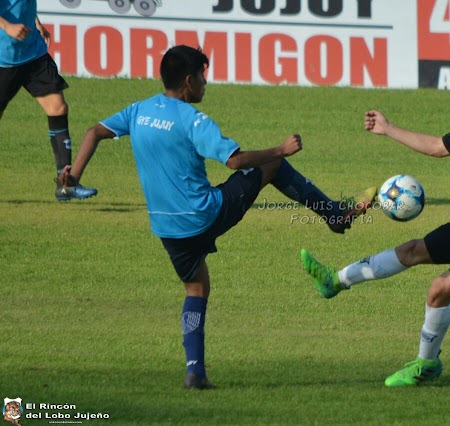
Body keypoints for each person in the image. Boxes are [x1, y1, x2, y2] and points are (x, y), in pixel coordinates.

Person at [61, 45, 376, 390]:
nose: (205, 83)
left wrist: (73, 176)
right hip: (204, 214)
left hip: (167, 228)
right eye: (202, 76)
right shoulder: (193, 120)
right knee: (271, 165)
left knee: (196, 287)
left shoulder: (139, 111)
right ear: (187, 80)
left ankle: (195, 370)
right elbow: (236, 161)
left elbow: (93, 131)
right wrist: (280, 150)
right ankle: (334, 215)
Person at [301, 62, 450, 387]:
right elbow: (436, 147)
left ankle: (426, 364)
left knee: (439, 289)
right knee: (412, 250)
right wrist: (387, 128)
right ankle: (335, 281)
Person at [0, 0, 96, 201]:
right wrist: (7, 26)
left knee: (58, 108)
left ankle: (66, 185)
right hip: (4, 59)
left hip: (34, 54)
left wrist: (36, 23)